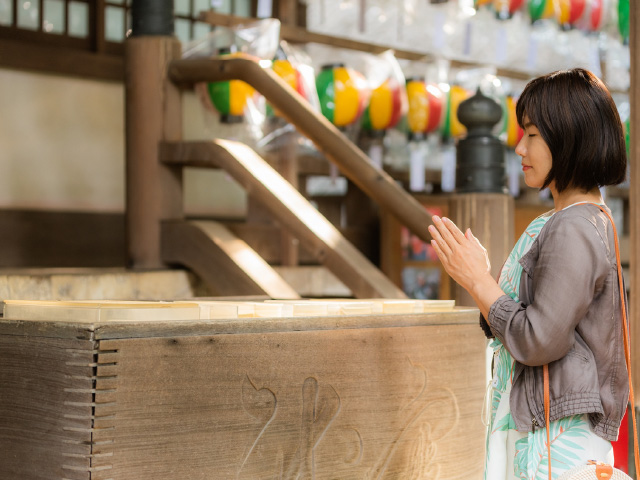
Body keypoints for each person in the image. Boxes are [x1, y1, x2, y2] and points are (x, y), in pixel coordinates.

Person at [428, 68, 629, 479]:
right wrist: (483, 277)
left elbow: (539, 339)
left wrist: (478, 282)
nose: (519, 148)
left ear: (569, 137)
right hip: (553, 432)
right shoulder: (576, 219)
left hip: (556, 443)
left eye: (533, 135)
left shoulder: (573, 225)